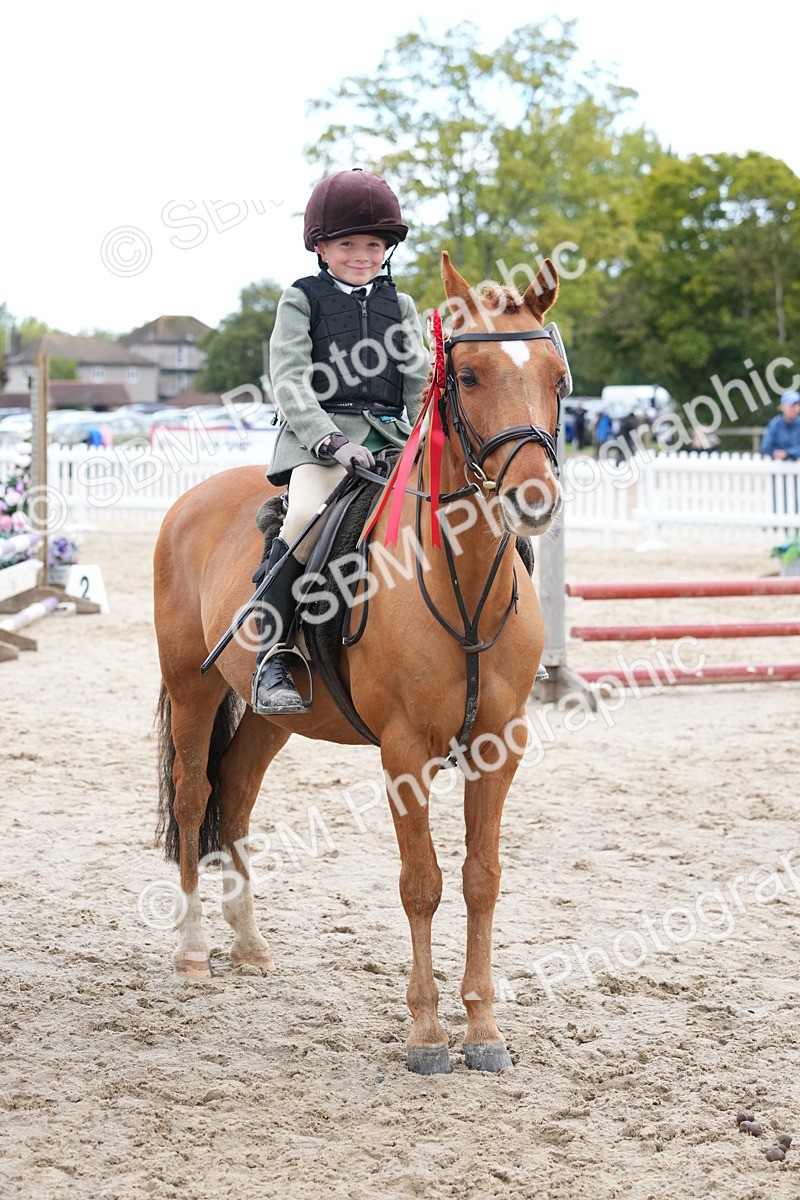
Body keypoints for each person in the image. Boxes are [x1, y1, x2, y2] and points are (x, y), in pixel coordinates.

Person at [252, 168, 430, 716]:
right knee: (306, 518)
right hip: (321, 441)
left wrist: (431, 435)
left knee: (469, 506)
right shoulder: (300, 299)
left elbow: (420, 382)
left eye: (373, 245)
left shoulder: (401, 306)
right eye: (348, 244)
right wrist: (330, 442)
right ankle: (272, 655)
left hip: (392, 437)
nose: (361, 255)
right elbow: (289, 380)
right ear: (322, 247)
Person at [761, 392, 800, 460]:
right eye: (791, 405)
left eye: (796, 405)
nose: (794, 408)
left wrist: (787, 453)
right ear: (782, 407)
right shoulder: (774, 424)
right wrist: (776, 453)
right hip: (777, 464)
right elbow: (766, 447)